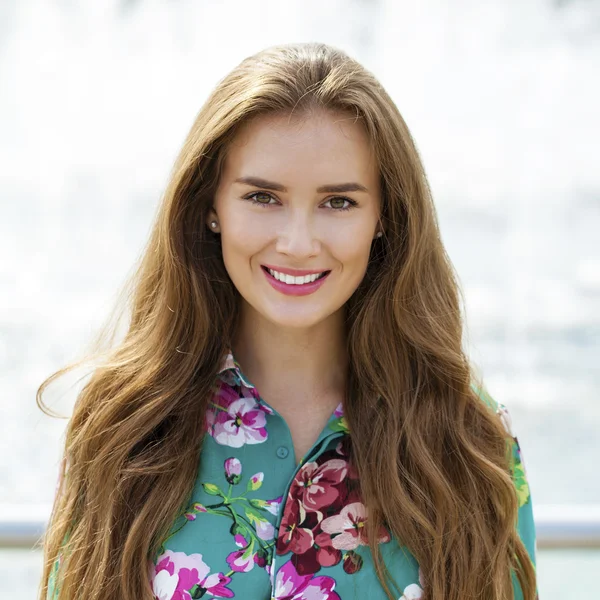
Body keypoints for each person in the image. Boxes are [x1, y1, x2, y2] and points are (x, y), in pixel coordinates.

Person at [38, 42, 537, 600]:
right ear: (210, 207)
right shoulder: (122, 423)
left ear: (384, 217)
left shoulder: (466, 436)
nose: (298, 243)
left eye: (339, 203)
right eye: (262, 197)